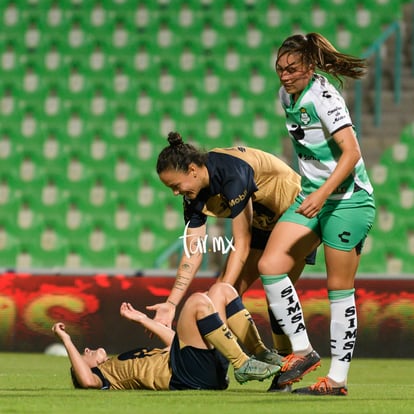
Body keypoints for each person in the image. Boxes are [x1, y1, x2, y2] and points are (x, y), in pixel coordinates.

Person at [257, 32, 376, 396]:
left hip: (348, 200)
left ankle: (337, 380)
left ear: (309, 67)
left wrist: (323, 194)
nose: (285, 75)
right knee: (270, 264)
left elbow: (352, 153)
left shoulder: (324, 97)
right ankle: (303, 350)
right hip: (312, 197)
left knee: (338, 290)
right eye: (280, 68)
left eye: (292, 68)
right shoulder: (285, 96)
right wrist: (316, 193)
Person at [151, 131, 316, 375]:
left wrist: (221, 293)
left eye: (176, 186)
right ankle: (219, 367)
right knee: (221, 293)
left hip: (296, 214)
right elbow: (193, 251)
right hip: (262, 221)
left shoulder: (231, 174)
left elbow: (242, 242)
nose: (176, 193)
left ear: (193, 170)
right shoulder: (193, 195)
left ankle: (285, 367)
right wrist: (171, 303)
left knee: (273, 296)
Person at [52, 282, 281, 390]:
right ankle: (243, 364)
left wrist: (143, 320)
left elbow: (175, 343)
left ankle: (260, 353)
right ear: (86, 368)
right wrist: (66, 340)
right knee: (196, 301)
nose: (86, 351)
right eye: (81, 358)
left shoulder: (119, 361)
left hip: (195, 367)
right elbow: (85, 381)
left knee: (222, 290)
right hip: (185, 376)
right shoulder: (104, 377)